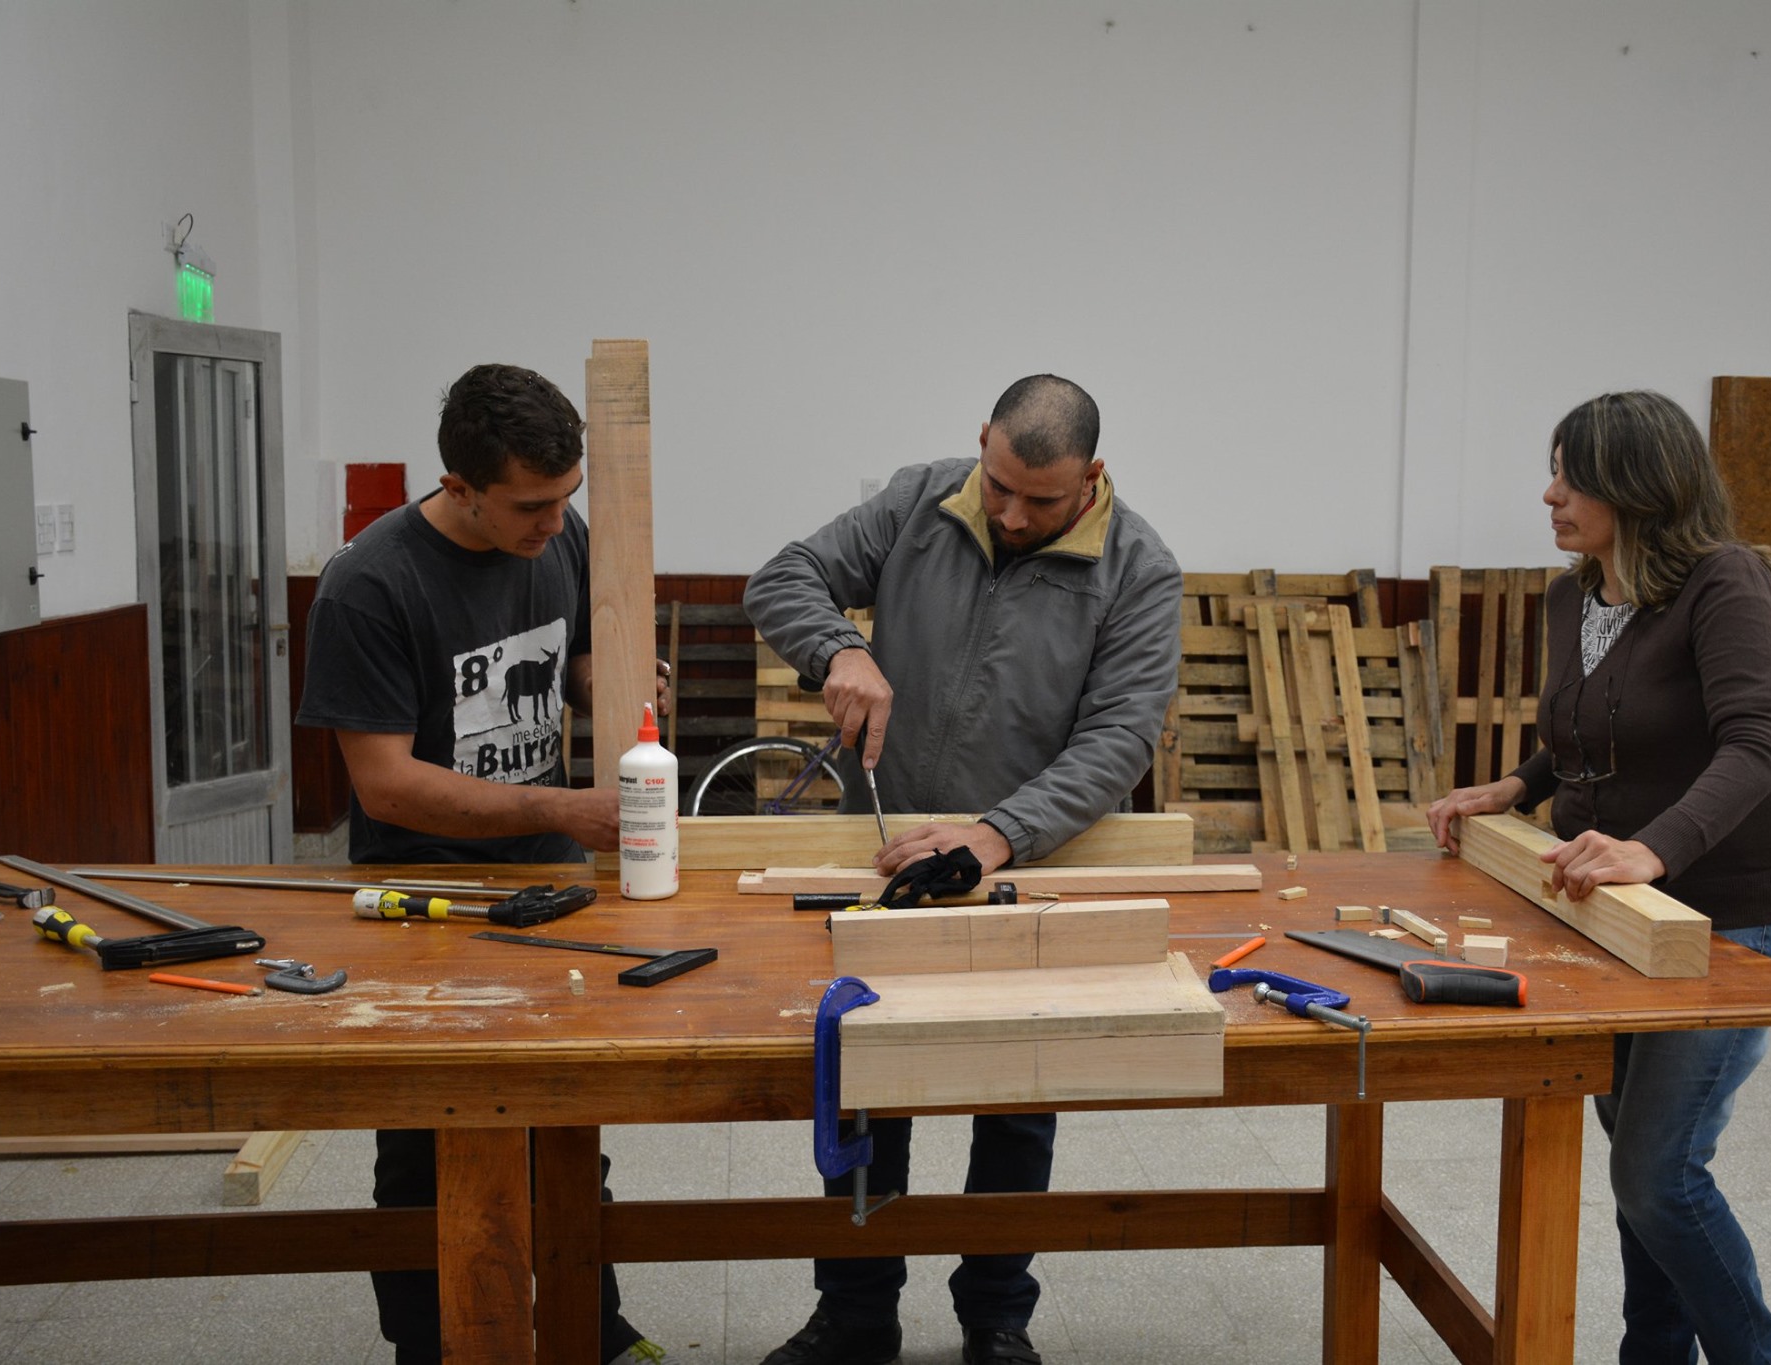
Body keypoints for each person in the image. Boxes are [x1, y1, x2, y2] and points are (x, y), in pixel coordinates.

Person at [744, 374, 1183, 1365]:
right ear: (981, 441)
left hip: (1026, 863)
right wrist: (837, 649)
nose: (1013, 515)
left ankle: (996, 1317)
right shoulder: (919, 501)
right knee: (868, 1086)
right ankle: (855, 1316)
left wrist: (996, 834)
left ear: (1092, 477)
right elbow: (782, 578)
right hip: (892, 856)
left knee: (1018, 1099)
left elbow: (1118, 740)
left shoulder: (1138, 568)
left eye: (1042, 499)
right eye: (999, 486)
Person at [1427, 390, 1771, 1365]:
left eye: (1571, 477)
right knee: (1635, 1160)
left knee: (1659, 1177)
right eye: (1553, 473)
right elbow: (1586, 728)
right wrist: (1516, 786)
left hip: (1716, 913)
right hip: (1610, 913)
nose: (1548, 495)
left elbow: (1757, 742)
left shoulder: (1725, 583)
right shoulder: (1577, 594)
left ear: (1638, 485)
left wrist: (1656, 847)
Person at [297, 362, 668, 1365]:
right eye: (530, 506)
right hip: (424, 896)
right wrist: (568, 808)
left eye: (565, 498)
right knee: (425, 1144)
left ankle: (594, 1326)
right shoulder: (369, 585)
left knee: (567, 1119)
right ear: (458, 486)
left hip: (547, 882)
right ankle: (429, 1344)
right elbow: (385, 784)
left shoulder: (558, 533)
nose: (554, 522)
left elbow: (573, 659)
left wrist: (615, 680)